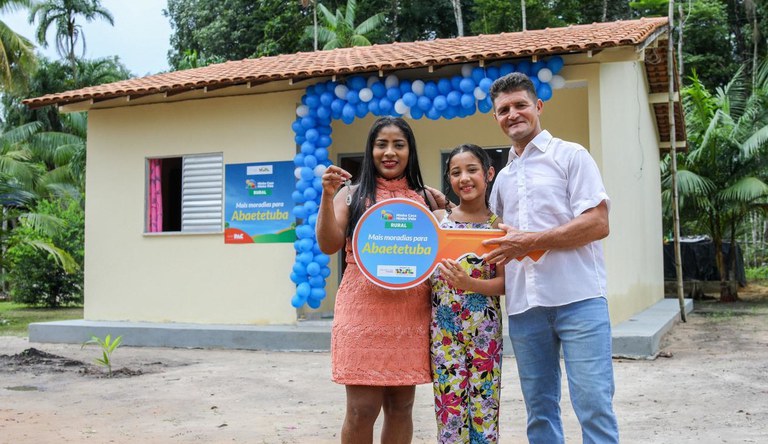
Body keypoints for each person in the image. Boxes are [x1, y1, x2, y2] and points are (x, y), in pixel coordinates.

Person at [482, 72, 620, 443]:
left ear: (538, 106)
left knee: (593, 404)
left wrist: (529, 242)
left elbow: (597, 223)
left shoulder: (571, 155)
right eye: (503, 109)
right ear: (495, 117)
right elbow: (492, 236)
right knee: (540, 411)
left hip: (580, 300)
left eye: (520, 105)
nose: (513, 114)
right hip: (525, 307)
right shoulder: (503, 181)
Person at [316, 116, 447, 444]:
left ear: (409, 151)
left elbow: (452, 241)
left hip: (409, 315)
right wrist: (326, 196)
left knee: (402, 406)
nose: (389, 152)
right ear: (370, 150)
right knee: (362, 409)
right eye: (381, 144)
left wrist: (446, 207)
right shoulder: (351, 194)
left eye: (398, 145)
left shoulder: (426, 200)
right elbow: (328, 244)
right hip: (362, 314)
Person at [429, 144, 505, 443]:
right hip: (443, 333)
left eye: (472, 170)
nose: (465, 178)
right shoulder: (437, 221)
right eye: (456, 172)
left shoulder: (498, 227)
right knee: (450, 414)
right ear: (449, 179)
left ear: (488, 174)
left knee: (484, 412)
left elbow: (505, 284)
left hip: (485, 334)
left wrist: (471, 285)